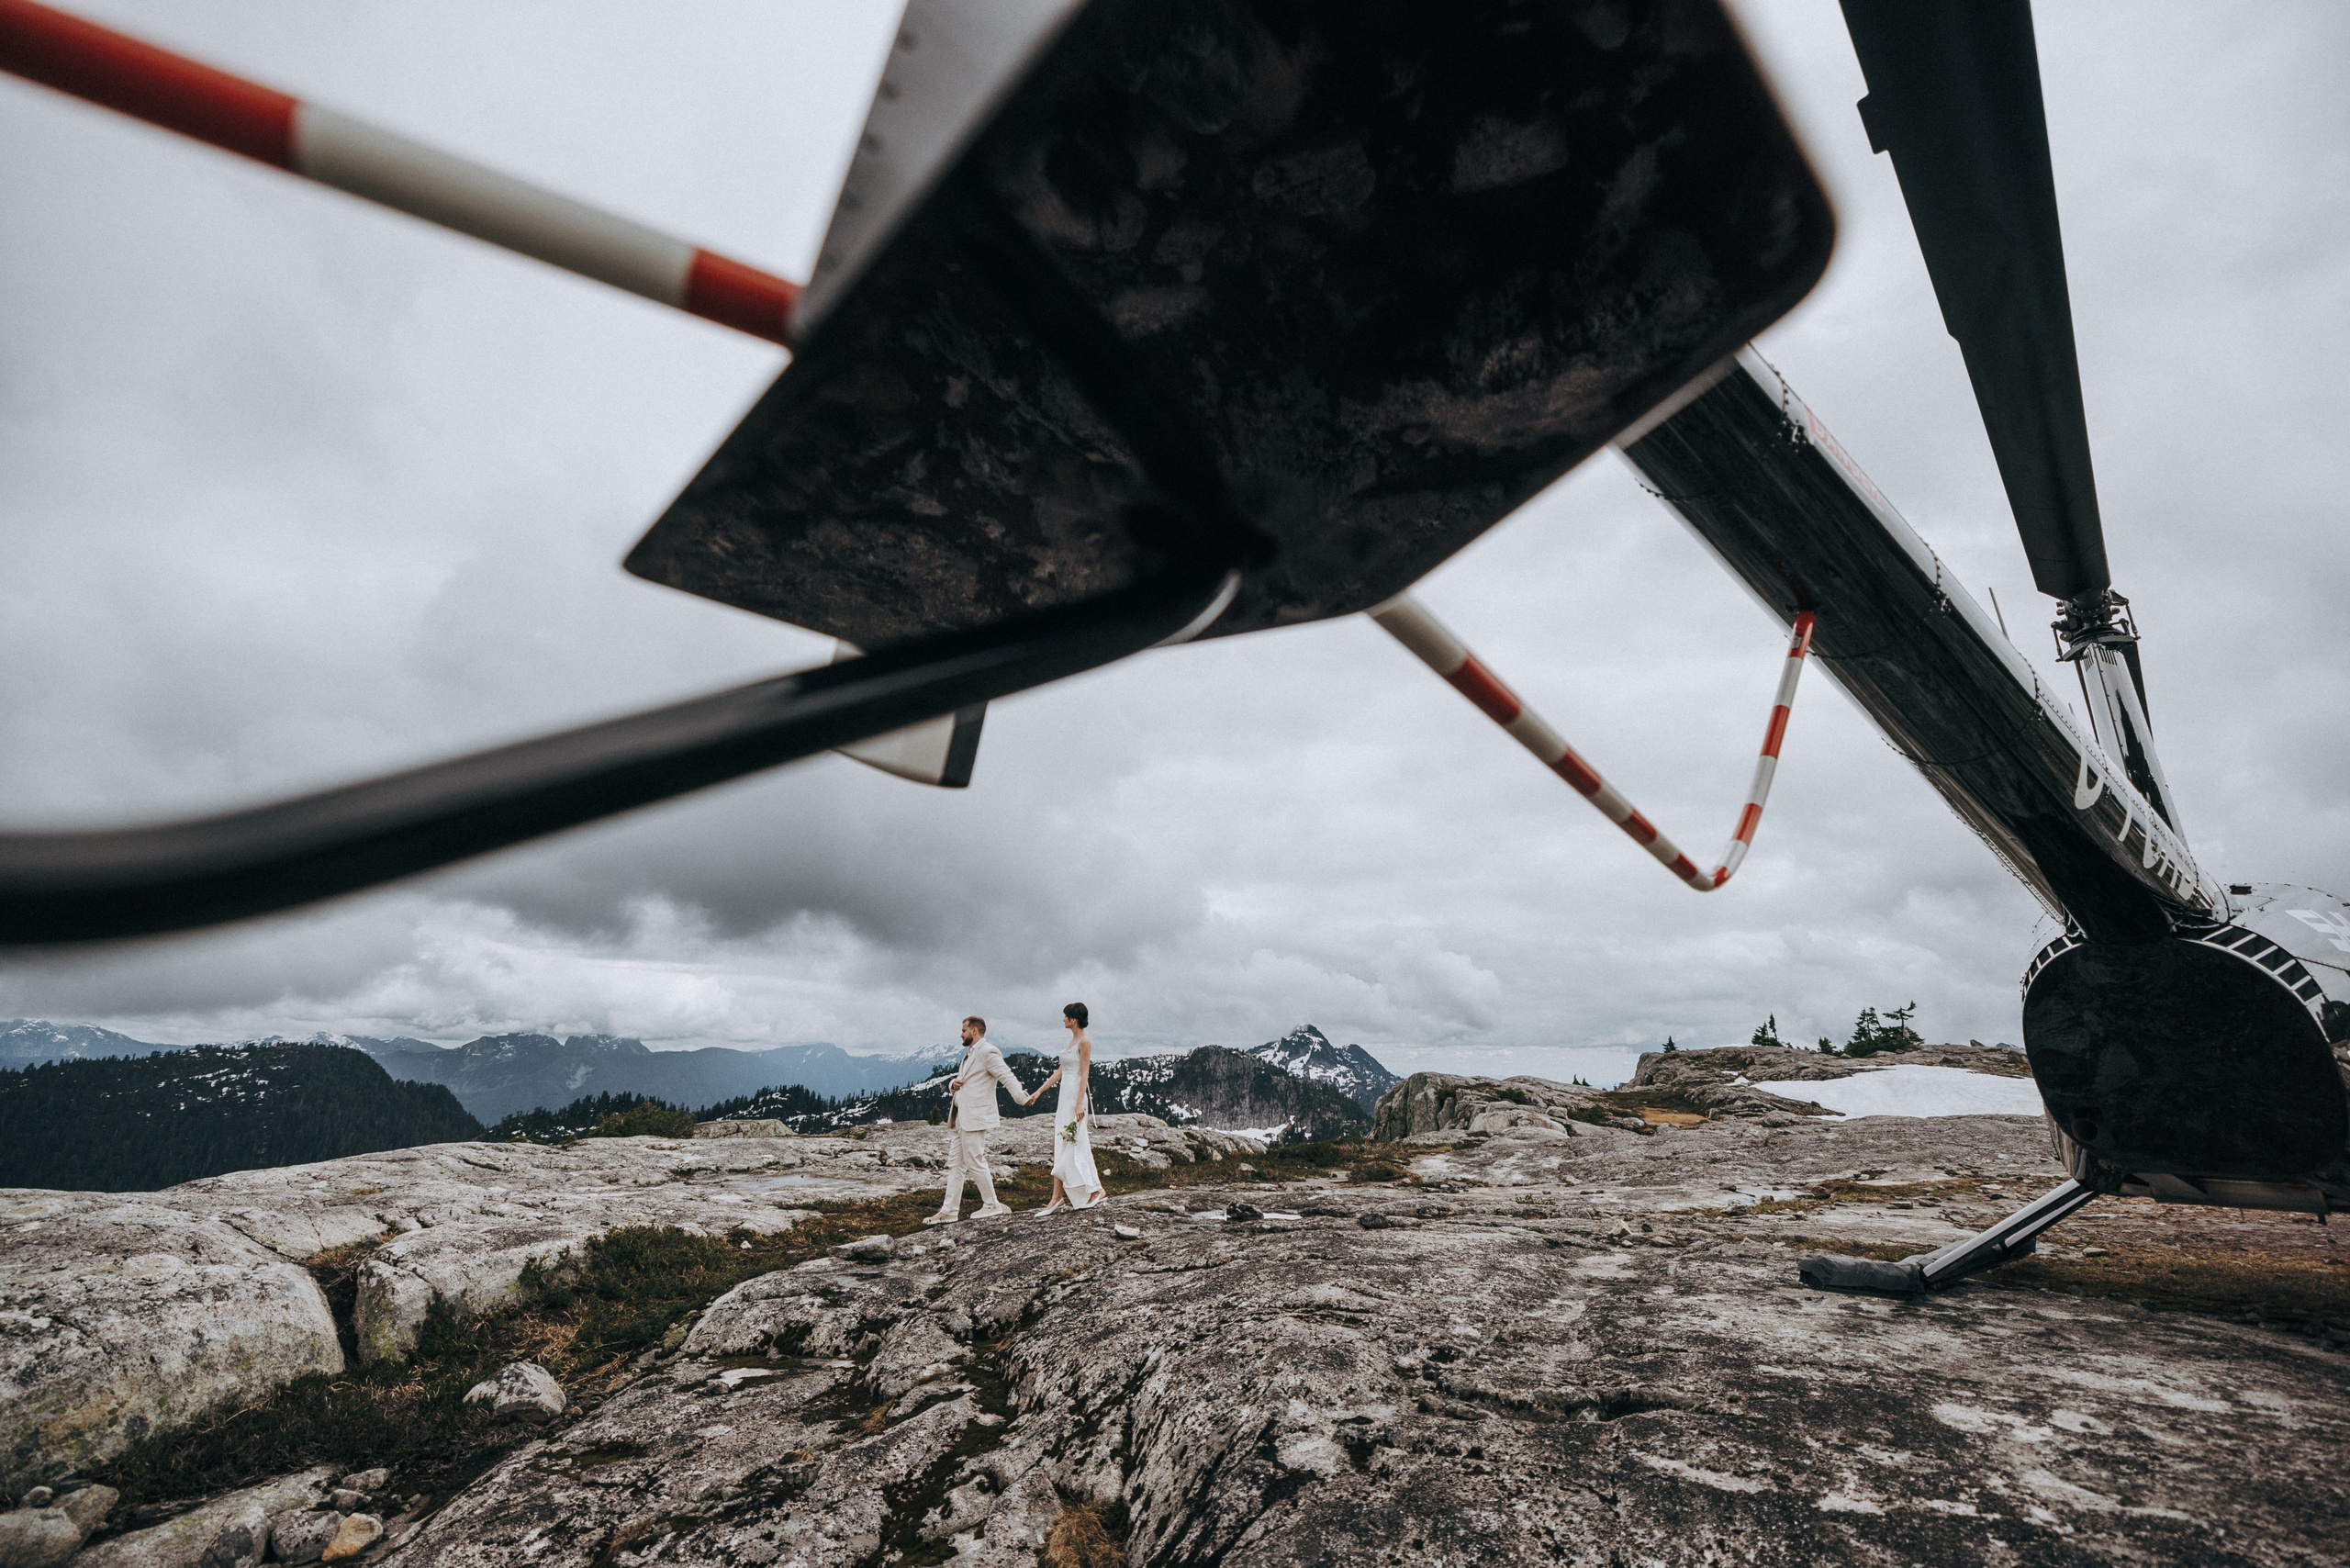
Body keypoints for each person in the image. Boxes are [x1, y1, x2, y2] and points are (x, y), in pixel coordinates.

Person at [926, 1015, 1024, 1225]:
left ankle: (991, 1205)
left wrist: (1020, 1097)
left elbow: (1005, 1075)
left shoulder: (988, 1051)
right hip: (962, 1117)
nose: (960, 1034)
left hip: (975, 1118)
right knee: (956, 1165)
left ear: (975, 1031)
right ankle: (949, 1211)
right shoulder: (970, 1054)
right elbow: (967, 1081)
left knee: (975, 1160)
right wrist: (953, 1084)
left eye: (963, 1030)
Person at [1023, 1002, 1103, 1214]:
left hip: (1075, 1098)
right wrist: (1039, 1091)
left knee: (1076, 1143)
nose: (1063, 1019)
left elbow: (1084, 1073)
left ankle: (1094, 1189)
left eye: (1065, 1016)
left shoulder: (1084, 1042)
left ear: (1073, 1019)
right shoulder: (1073, 1041)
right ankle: (1057, 1197)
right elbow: (1061, 1072)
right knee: (1059, 1143)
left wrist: (1079, 1103)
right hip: (1065, 1098)